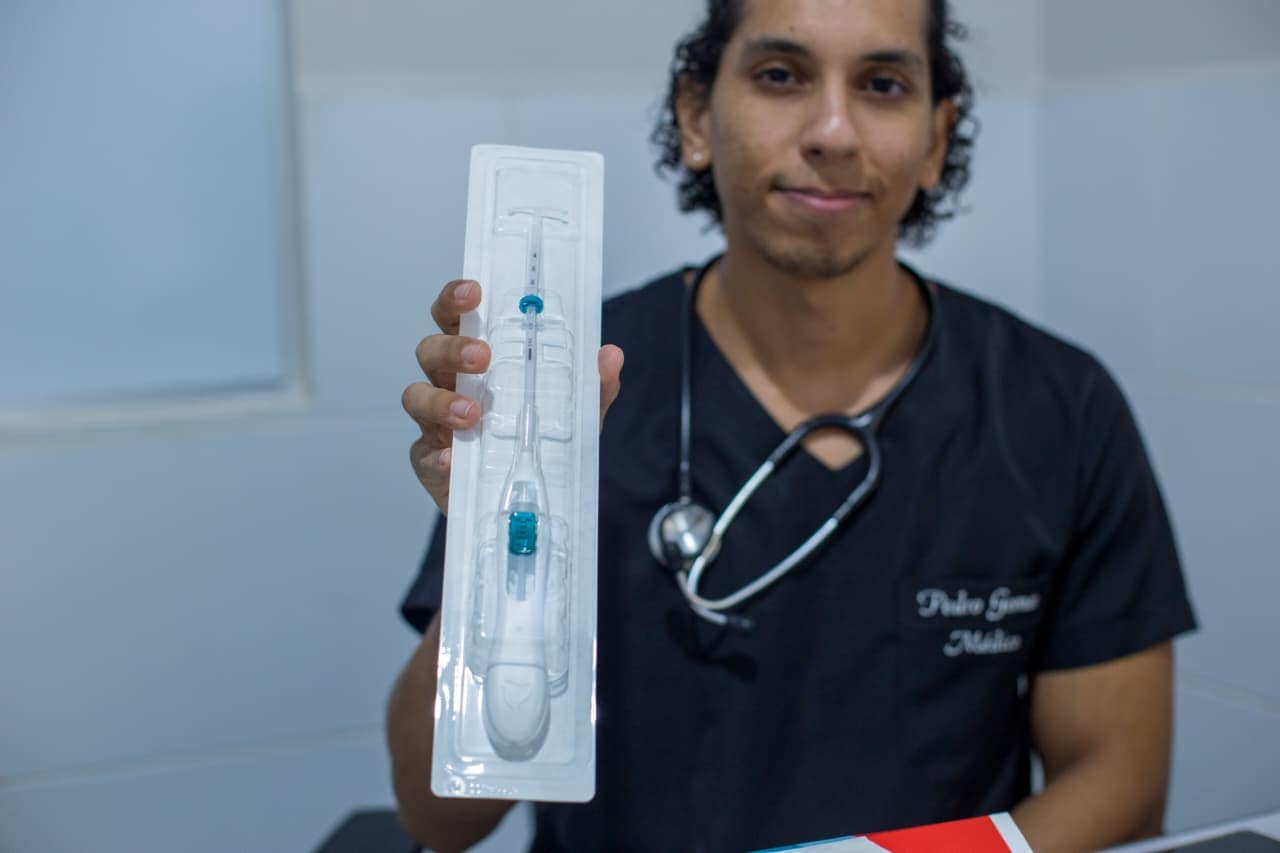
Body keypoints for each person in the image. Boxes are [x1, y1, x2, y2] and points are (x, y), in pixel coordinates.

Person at [389, 0, 1197, 850]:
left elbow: (1119, 780)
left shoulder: (1057, 406)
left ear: (934, 138)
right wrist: (485, 546)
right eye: (781, 76)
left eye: (883, 85)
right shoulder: (571, 391)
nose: (834, 132)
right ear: (696, 116)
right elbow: (439, 816)